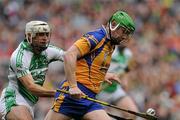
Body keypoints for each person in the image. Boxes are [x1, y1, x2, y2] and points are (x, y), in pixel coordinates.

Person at [45, 10, 135, 120]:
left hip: (89, 98)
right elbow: (69, 55)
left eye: (127, 33)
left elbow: (87, 64)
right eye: (124, 31)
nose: (125, 36)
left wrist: (103, 76)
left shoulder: (110, 45)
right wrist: (73, 86)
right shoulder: (97, 37)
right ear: (114, 25)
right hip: (72, 97)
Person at [0, 20, 64, 120]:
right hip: (14, 99)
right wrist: (59, 93)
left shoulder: (49, 51)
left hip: (31, 103)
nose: (45, 38)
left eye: (47, 34)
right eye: (40, 34)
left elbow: (69, 57)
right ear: (29, 36)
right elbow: (31, 87)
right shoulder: (19, 57)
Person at [96, 46, 139, 119]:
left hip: (115, 90)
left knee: (132, 113)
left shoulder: (128, 54)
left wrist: (125, 81)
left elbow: (125, 70)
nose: (125, 39)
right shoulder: (109, 50)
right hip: (99, 91)